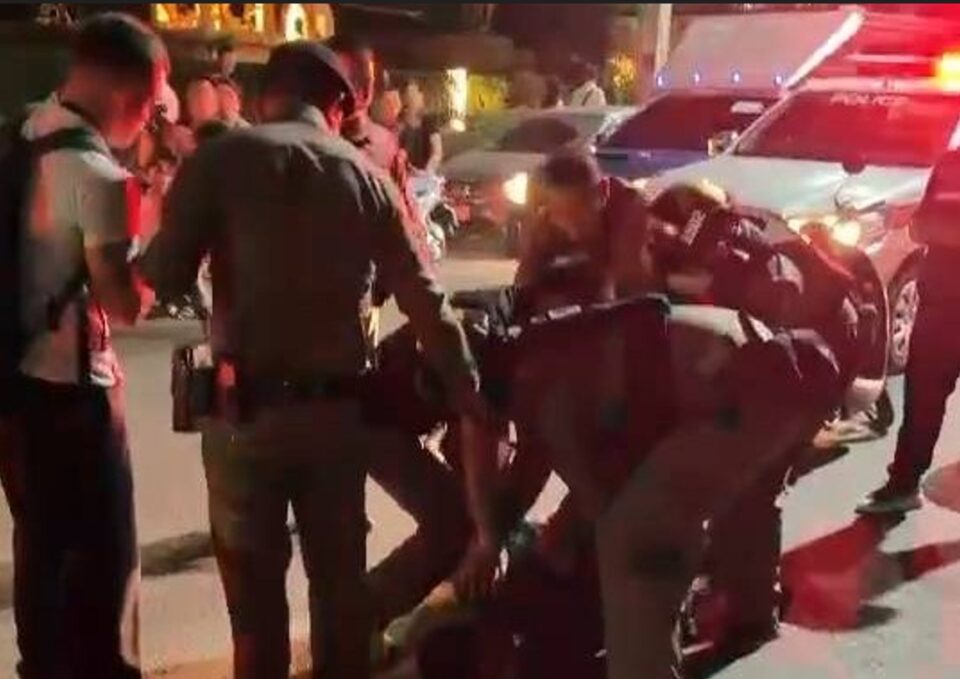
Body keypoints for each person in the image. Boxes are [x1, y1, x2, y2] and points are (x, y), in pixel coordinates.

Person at [140, 40, 487, 679]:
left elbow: (164, 273)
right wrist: (469, 393)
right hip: (337, 425)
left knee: (255, 617)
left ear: (265, 97)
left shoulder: (220, 160)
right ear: (337, 108)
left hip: (244, 420)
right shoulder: (366, 178)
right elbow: (426, 301)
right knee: (337, 602)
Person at [461, 152, 845, 679]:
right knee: (680, 509)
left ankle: (718, 624)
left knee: (654, 527)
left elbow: (591, 461)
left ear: (598, 196)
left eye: (569, 212)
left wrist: (528, 534)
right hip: (729, 365)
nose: (560, 224)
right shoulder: (552, 271)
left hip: (768, 364)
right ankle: (738, 616)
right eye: (551, 212)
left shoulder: (634, 231)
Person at [0, 12, 166, 678]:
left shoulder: (23, 132)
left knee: (41, 554)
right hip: (76, 395)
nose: (150, 120)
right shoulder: (99, 175)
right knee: (105, 570)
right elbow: (123, 303)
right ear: (131, 94)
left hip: (13, 385)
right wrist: (157, 228)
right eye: (151, 106)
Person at [857, 149, 960, 514]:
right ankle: (902, 485)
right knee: (921, 402)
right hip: (940, 308)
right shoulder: (951, 164)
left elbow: (930, 227)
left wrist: (940, 229)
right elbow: (919, 228)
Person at [398, 78, 443, 173]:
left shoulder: (429, 122)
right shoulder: (399, 122)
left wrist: (428, 170)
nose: (411, 99)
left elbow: (437, 152)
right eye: (408, 95)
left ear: (421, 97)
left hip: (424, 172)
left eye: (414, 94)